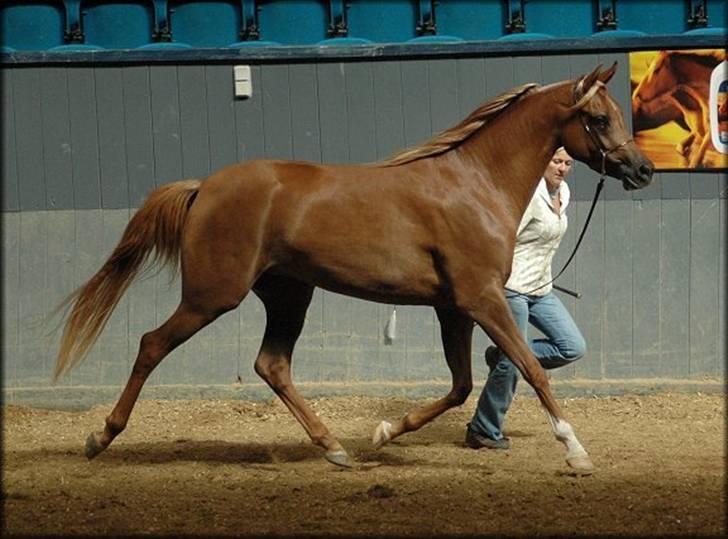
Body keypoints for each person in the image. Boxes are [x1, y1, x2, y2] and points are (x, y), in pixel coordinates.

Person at [465, 147, 587, 450]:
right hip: (513, 287)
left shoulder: (565, 193)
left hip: (541, 288)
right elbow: (500, 237)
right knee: (511, 364)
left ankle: (502, 354)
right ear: (542, 161)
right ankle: (483, 429)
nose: (562, 168)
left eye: (568, 163)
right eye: (557, 161)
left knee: (572, 346)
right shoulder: (528, 197)